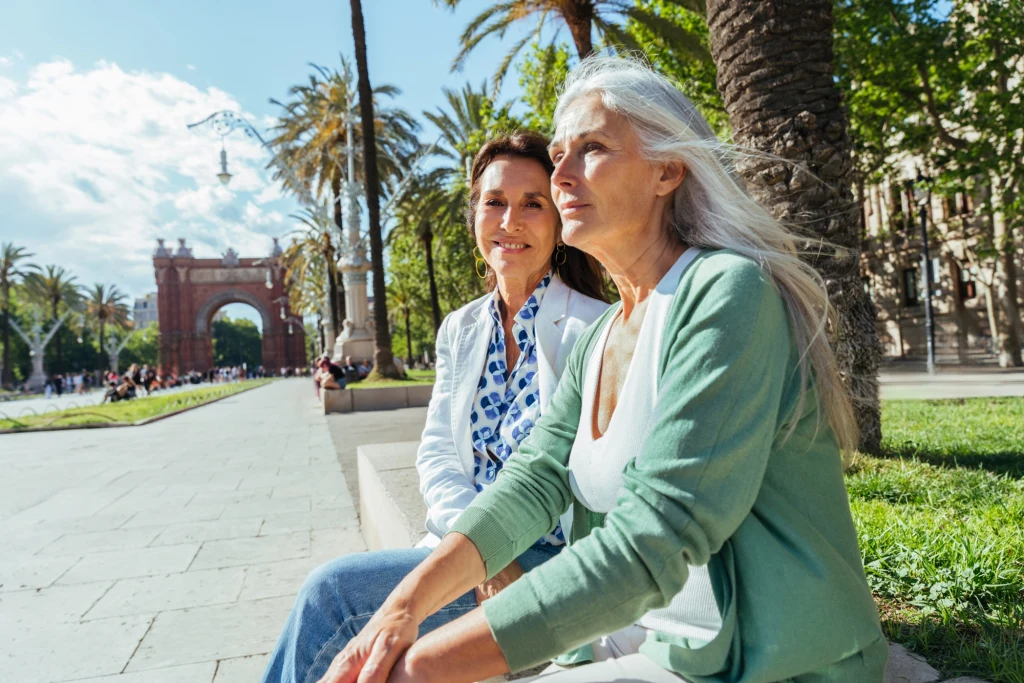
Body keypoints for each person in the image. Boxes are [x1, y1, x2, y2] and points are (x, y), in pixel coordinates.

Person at [305, 57, 886, 683]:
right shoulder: (602, 337)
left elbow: (655, 537)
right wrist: (400, 609)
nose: (561, 176)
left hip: (764, 662)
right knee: (339, 600)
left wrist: (428, 665)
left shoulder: (727, 293)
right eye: (559, 153)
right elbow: (530, 485)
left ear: (666, 170)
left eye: (592, 149)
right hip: (643, 644)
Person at [261, 131, 610, 683]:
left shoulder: (595, 328)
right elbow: (439, 455)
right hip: (464, 557)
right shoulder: (461, 328)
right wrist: (479, 551)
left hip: (552, 571)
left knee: (334, 597)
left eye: (532, 204)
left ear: (559, 221)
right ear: (474, 214)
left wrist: (496, 559)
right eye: (494, 202)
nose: (510, 221)